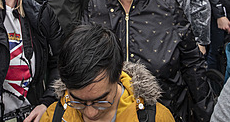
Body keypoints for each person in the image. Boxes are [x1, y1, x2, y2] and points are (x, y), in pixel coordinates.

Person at [83, 0, 214, 121]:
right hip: (110, 110)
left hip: (166, 106)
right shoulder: (97, 4)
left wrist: (205, 108)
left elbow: (192, 61)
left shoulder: (167, 5)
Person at [40, 24, 175, 122]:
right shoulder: (53, 116)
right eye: (78, 102)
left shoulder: (156, 118)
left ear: (118, 75)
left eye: (101, 101)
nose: (91, 113)